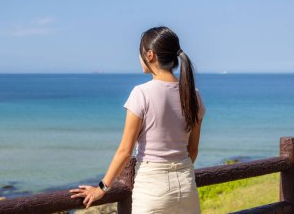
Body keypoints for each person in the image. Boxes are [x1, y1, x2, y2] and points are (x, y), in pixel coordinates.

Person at [69, 26, 206, 213]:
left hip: (152, 188)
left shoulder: (141, 94)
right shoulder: (194, 95)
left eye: (140, 52)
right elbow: (193, 149)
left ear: (150, 55)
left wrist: (101, 188)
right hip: (186, 186)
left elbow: (125, 151)